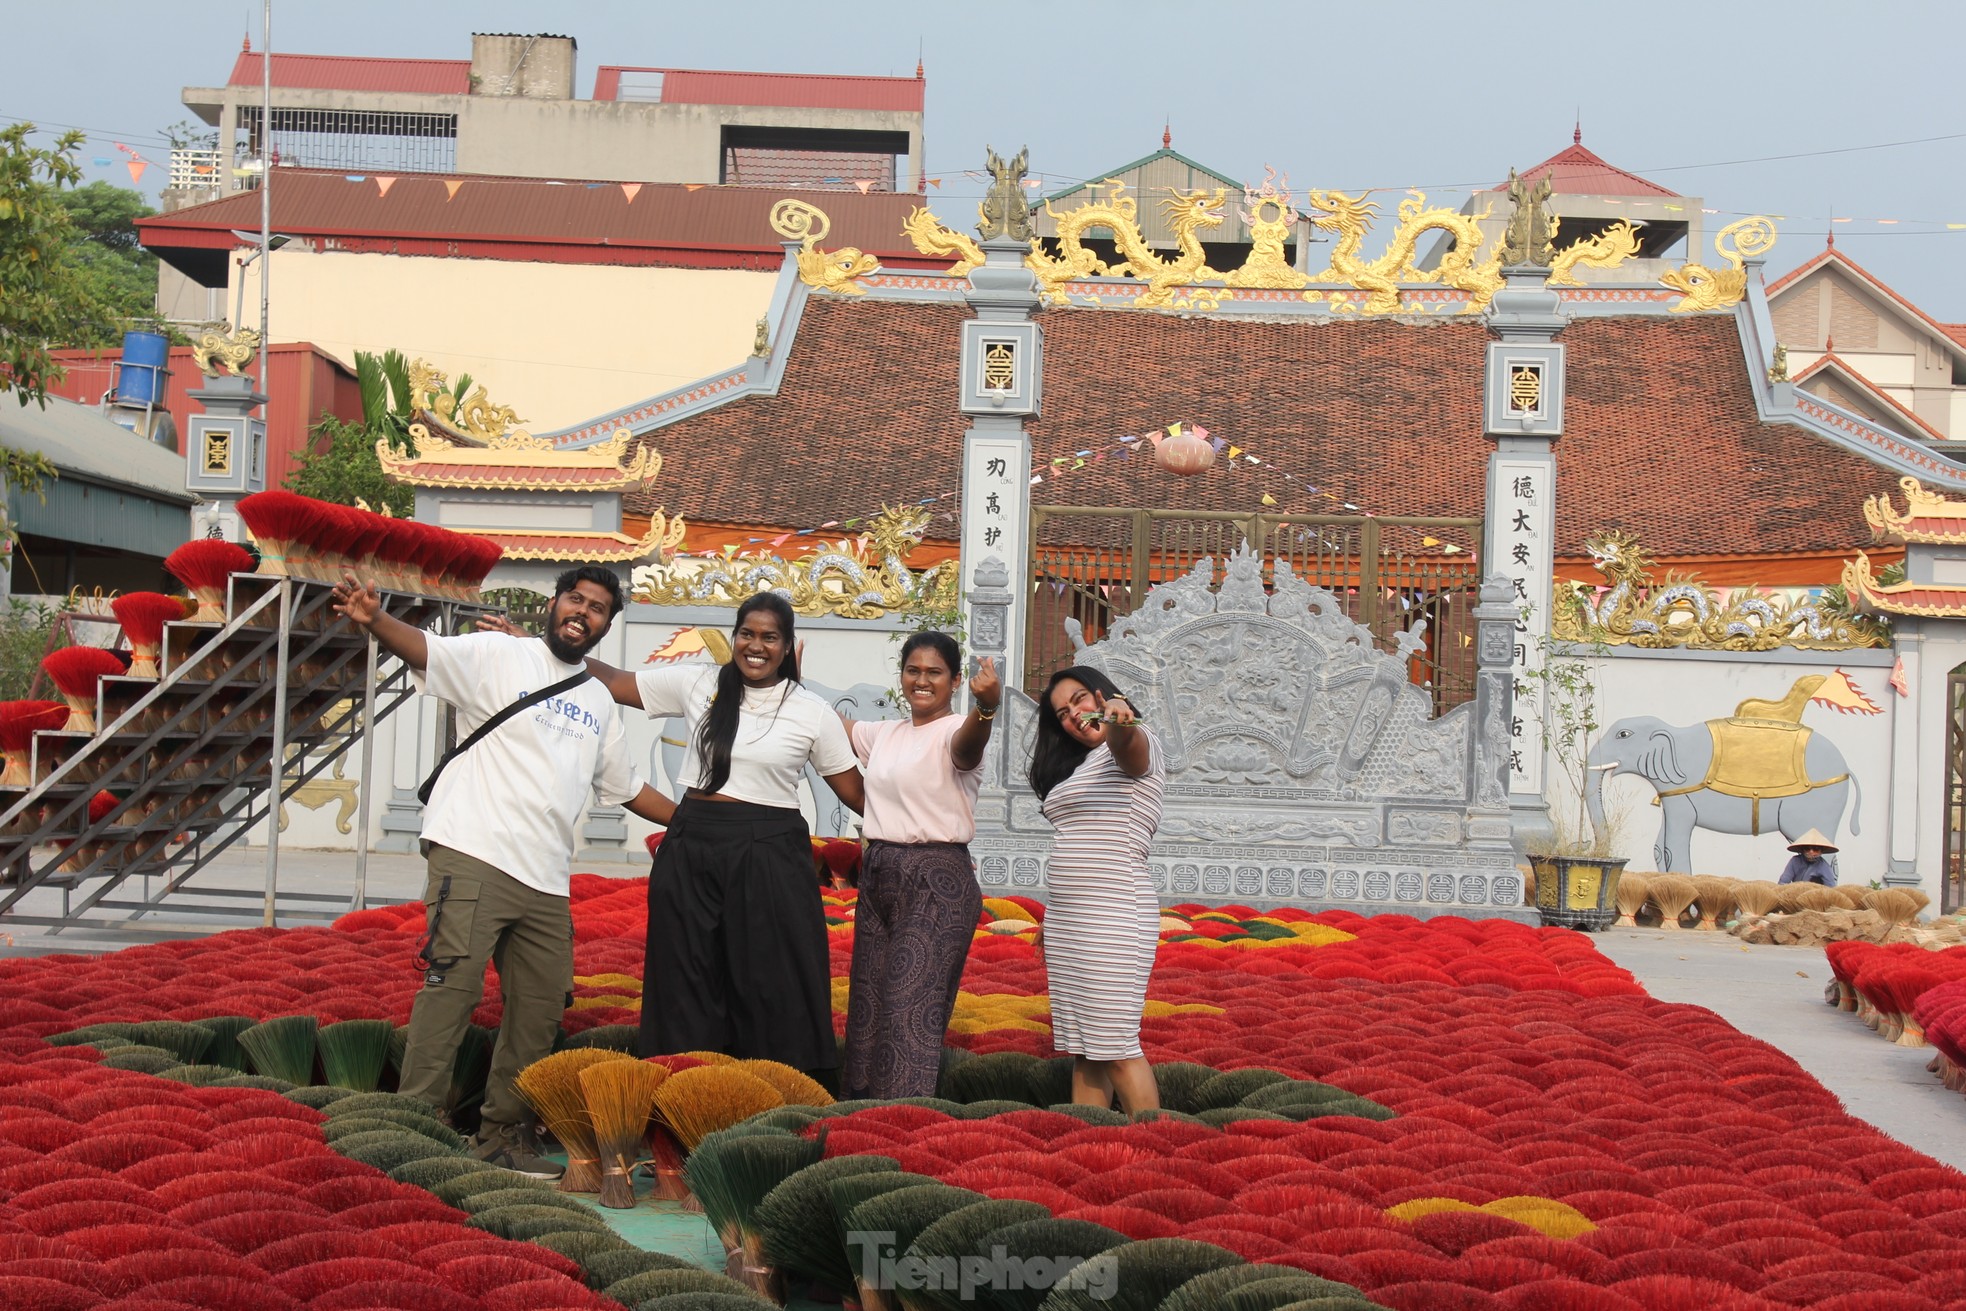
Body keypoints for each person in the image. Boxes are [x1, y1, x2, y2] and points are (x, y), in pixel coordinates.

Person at [331, 565, 677, 1178]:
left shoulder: (598, 700)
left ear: (606, 624)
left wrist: (696, 823)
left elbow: (626, 787)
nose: (583, 613)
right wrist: (376, 619)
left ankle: (501, 1137)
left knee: (540, 1010)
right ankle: (412, 1125)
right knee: (452, 991)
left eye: (598, 608)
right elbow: (427, 649)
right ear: (555, 603)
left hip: (545, 877)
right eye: (576, 599)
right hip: (472, 851)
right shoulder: (498, 654)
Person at [574, 593, 865, 1074]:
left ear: (789, 646)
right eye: (747, 634)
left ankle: (774, 1091)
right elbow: (617, 683)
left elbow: (855, 793)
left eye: (770, 637)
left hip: (771, 851)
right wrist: (542, 653)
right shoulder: (698, 682)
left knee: (772, 978)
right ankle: (683, 1086)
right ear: (734, 637)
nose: (756, 646)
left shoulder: (813, 711)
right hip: (694, 844)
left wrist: (921, 821)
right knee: (685, 972)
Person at [839, 634, 1001, 1099]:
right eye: (913, 670)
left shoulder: (955, 731)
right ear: (902, 675)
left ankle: (900, 1127)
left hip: (937, 876)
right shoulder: (885, 733)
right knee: (868, 1007)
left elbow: (969, 746)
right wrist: (788, 681)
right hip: (881, 869)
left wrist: (985, 709)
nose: (922, 680)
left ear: (954, 681)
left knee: (908, 1010)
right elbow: (834, 725)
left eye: (934, 672)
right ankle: (858, 1119)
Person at [1029, 664, 1166, 1114]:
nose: (1074, 714)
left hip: (1114, 914)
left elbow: (1131, 747)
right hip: (1071, 922)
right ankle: (1087, 1148)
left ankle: (1156, 1153)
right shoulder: (1081, 764)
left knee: (1116, 1045)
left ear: (1102, 695)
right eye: (1062, 712)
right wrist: (1055, 918)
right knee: (1086, 1049)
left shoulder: (1133, 742)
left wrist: (1119, 721)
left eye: (1080, 699)